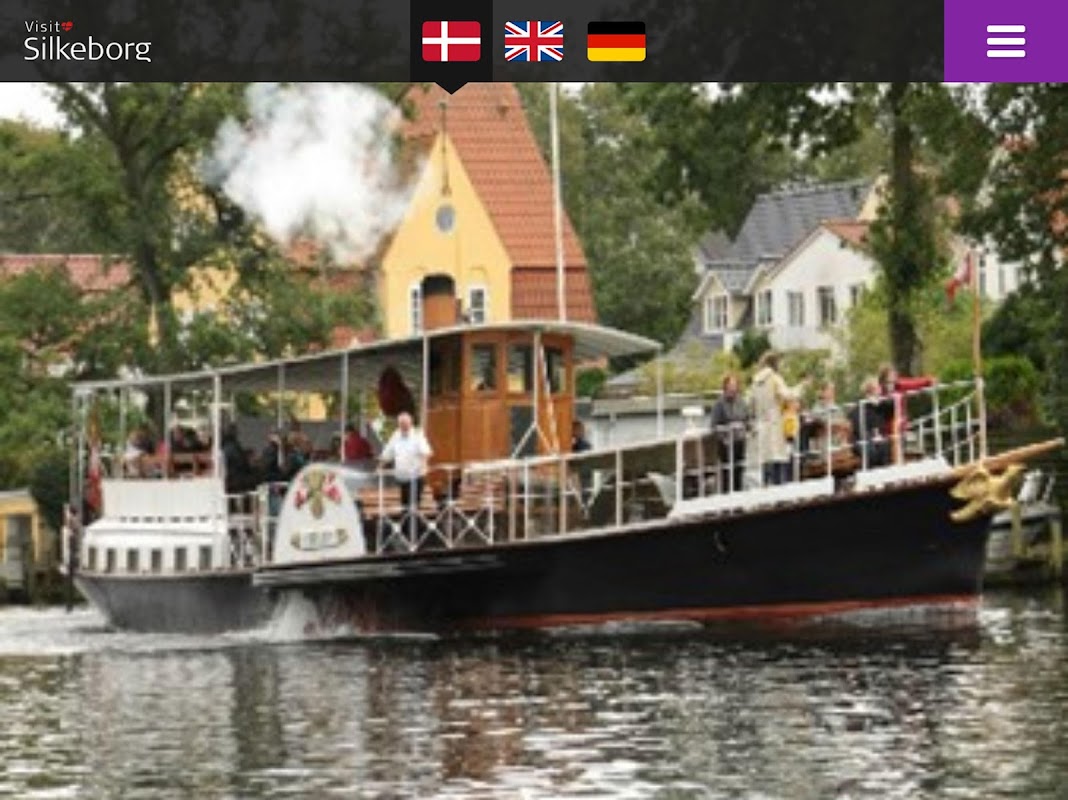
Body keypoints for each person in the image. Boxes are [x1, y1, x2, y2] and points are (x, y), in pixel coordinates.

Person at [749, 351, 805, 486]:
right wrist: (801, 387)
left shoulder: (755, 382)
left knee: (765, 460)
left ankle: (766, 485)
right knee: (778, 458)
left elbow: (751, 403)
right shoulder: (774, 378)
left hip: (762, 424)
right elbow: (788, 395)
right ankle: (779, 486)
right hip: (775, 423)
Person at [877, 364, 936, 463]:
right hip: (885, 429)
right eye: (888, 380)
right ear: (883, 379)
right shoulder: (879, 391)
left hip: (899, 426)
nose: (891, 382)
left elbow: (913, 383)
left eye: (893, 378)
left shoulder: (899, 386)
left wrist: (928, 381)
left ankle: (898, 463)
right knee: (887, 452)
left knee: (900, 447)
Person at [379, 412, 433, 512]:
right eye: (401, 424)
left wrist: (424, 465)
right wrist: (380, 466)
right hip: (402, 477)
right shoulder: (396, 435)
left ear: (410, 423)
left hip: (415, 476)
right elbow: (388, 453)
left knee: (412, 506)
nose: (404, 426)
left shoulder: (417, 435)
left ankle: (412, 521)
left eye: (406, 423)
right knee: (404, 506)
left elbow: (426, 452)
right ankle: (406, 521)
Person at [710, 373, 749, 493]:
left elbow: (747, 419)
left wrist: (747, 428)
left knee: (739, 470)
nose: (733, 389)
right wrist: (724, 436)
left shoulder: (741, 402)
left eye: (735, 385)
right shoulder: (719, 404)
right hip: (725, 444)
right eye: (730, 386)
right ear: (725, 387)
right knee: (727, 473)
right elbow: (714, 425)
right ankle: (726, 494)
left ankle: (739, 493)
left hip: (739, 441)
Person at [850, 377, 891, 468]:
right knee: (870, 449)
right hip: (862, 439)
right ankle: (870, 472)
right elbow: (859, 428)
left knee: (885, 445)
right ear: (871, 390)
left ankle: (884, 472)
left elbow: (890, 409)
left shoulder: (881, 406)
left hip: (877, 437)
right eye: (878, 388)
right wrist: (872, 436)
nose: (880, 390)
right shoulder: (860, 407)